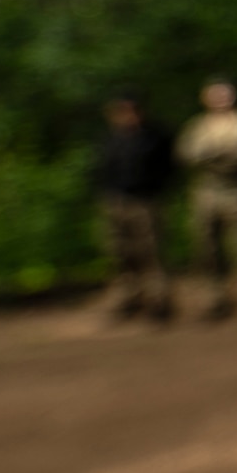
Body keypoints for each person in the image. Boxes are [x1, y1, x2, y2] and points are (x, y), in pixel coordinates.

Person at [174, 77, 237, 319]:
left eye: (226, 95)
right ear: (205, 99)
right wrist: (221, 151)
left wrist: (209, 153)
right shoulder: (198, 125)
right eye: (215, 95)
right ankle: (216, 300)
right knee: (208, 249)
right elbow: (186, 154)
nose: (222, 100)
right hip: (205, 194)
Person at [94, 90, 176, 322]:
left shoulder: (155, 136)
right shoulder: (111, 139)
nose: (125, 115)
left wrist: (157, 190)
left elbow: (169, 167)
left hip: (146, 201)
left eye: (130, 109)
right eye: (120, 110)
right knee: (120, 253)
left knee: (151, 253)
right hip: (115, 202)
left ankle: (159, 302)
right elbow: (101, 169)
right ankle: (128, 299)